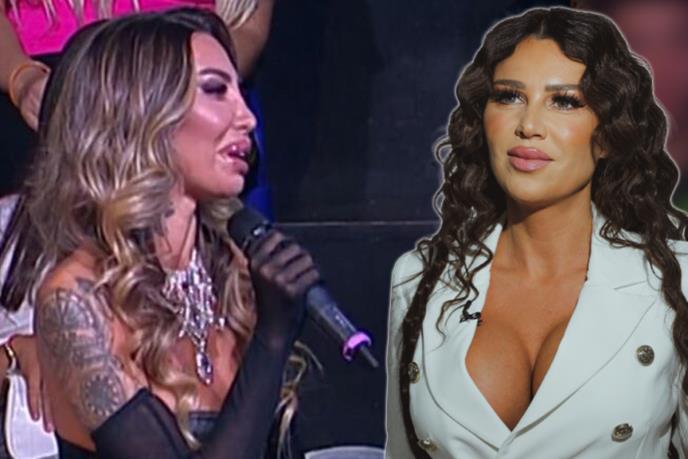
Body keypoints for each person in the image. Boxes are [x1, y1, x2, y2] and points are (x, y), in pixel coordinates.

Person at [3, 8, 318, 458]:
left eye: (239, 90)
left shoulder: (235, 276)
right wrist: (270, 341)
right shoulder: (78, 301)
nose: (247, 117)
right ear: (142, 114)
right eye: (216, 90)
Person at [385, 6, 688, 459]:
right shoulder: (419, 279)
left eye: (564, 101)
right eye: (509, 96)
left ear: (608, 134)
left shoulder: (674, 281)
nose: (528, 126)